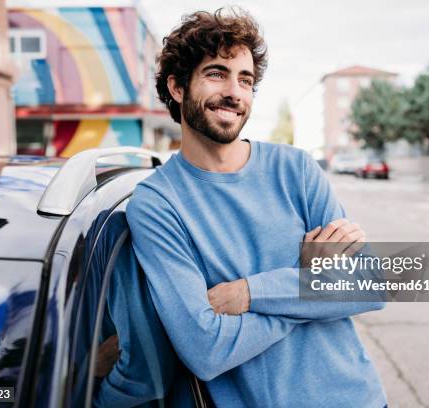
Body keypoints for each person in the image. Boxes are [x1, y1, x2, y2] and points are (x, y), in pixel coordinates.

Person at [125, 7, 388, 408]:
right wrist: (307, 282)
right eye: (217, 73)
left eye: (245, 80)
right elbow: (206, 349)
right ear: (178, 88)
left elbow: (370, 283)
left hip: (357, 398)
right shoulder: (157, 204)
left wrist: (253, 292)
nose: (234, 92)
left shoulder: (296, 169)